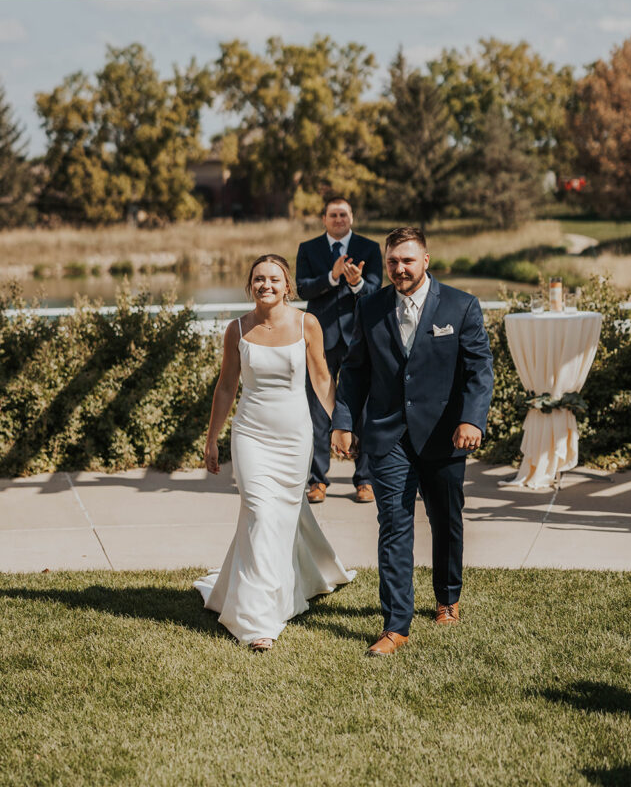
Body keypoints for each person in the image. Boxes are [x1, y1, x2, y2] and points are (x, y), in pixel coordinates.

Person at [331, 227, 493, 657]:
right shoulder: (370, 307)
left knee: (446, 519)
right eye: (392, 262)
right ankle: (395, 625)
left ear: (426, 260)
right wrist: (342, 422)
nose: (399, 269)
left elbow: (480, 371)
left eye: (407, 260)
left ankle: (447, 598)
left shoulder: (461, 306)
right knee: (394, 529)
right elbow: (354, 371)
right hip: (388, 435)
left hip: (445, 434)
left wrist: (471, 420)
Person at [194, 254, 355, 652]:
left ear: (288, 286)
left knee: (280, 518)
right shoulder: (236, 329)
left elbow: (321, 376)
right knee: (260, 513)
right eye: (259, 279)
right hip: (250, 434)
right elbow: (227, 386)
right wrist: (213, 437)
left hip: (294, 436)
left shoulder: (306, 323)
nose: (267, 285)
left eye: (275, 279)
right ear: (250, 286)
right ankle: (257, 619)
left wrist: (340, 424)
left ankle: (288, 581)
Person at [296, 196, 383, 504]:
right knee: (319, 412)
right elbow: (303, 289)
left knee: (362, 409)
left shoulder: (369, 248)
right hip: (318, 341)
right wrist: (332, 277)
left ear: (352, 217)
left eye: (344, 214)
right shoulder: (308, 249)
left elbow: (376, 292)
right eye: (333, 214)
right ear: (324, 219)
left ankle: (365, 479)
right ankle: (318, 480)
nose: (338, 219)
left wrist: (357, 283)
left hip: (359, 339)